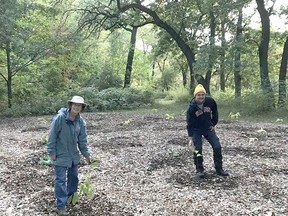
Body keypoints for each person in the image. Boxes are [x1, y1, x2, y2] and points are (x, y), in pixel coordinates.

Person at [47, 96, 91, 215]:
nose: (77, 107)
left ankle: (71, 199)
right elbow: (52, 136)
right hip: (60, 155)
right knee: (60, 180)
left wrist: (87, 155)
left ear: (82, 107)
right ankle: (61, 205)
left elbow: (82, 140)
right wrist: (51, 152)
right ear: (70, 105)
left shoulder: (81, 122)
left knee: (74, 178)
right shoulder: (60, 118)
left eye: (79, 105)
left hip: (73, 156)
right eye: (75, 104)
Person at [186, 84, 229, 178]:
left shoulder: (210, 101)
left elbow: (215, 111)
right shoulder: (191, 107)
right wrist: (190, 138)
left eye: (202, 94)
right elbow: (189, 124)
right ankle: (199, 170)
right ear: (195, 96)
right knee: (197, 149)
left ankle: (219, 169)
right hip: (196, 130)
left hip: (208, 128)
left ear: (205, 95)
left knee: (217, 146)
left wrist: (213, 123)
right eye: (199, 95)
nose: (201, 96)